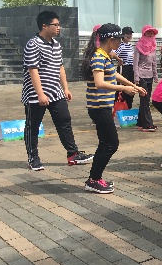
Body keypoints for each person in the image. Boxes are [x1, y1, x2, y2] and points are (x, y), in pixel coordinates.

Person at [21, 11, 93, 171]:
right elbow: (33, 70)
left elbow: (60, 67)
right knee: (33, 126)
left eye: (59, 25)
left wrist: (65, 88)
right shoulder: (33, 44)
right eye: (55, 25)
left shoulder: (56, 44)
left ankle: (73, 154)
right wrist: (40, 94)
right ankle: (33, 158)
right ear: (44, 26)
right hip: (35, 94)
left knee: (64, 121)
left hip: (56, 91)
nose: (59, 27)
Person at [80, 23, 145, 193]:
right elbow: (99, 83)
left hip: (103, 107)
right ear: (111, 40)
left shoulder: (105, 55)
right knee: (111, 144)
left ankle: (94, 179)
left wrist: (133, 86)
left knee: (105, 143)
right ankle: (93, 180)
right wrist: (124, 89)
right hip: (98, 107)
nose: (120, 43)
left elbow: (114, 74)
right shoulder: (98, 57)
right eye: (119, 40)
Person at [134, 25, 159, 132]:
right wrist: (136, 77)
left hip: (150, 76)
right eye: (148, 32)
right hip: (141, 75)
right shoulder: (138, 46)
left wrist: (155, 75)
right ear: (144, 33)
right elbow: (135, 63)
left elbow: (154, 63)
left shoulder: (153, 46)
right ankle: (147, 124)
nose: (150, 35)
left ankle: (141, 123)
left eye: (152, 33)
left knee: (146, 99)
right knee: (145, 100)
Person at [114, 26, 136, 109]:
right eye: (127, 34)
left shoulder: (130, 45)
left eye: (130, 34)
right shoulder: (120, 45)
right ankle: (119, 105)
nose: (129, 36)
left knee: (131, 86)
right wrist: (119, 59)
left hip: (131, 68)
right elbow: (114, 53)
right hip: (124, 68)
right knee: (122, 87)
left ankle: (128, 105)